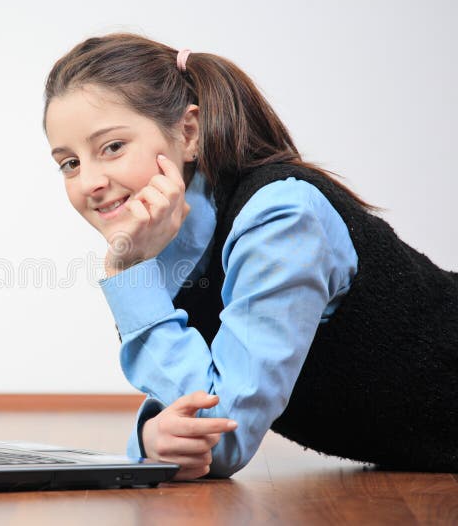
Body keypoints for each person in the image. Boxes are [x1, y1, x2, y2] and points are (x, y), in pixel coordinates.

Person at [42, 33, 458, 480]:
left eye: (112, 147)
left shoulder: (280, 220)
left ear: (188, 133)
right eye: (70, 163)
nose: (89, 182)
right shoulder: (159, 248)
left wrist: (127, 272)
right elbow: (199, 410)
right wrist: (151, 438)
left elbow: (220, 436)